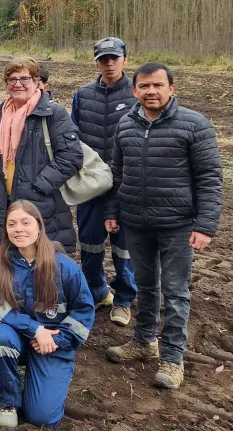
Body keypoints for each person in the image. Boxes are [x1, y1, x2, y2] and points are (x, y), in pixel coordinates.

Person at [104, 62, 222, 390]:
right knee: (145, 286)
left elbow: (209, 178)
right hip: (136, 223)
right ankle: (143, 343)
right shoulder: (126, 125)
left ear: (171, 88)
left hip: (178, 225)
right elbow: (117, 173)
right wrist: (112, 211)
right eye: (144, 86)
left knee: (175, 291)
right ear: (135, 91)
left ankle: (172, 358)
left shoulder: (194, 124)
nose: (151, 91)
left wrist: (206, 225)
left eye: (158, 85)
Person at [0, 201, 94, 429]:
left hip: (51, 345)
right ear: (6, 230)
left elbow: (84, 311)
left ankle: (39, 385)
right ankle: (7, 402)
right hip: (15, 338)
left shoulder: (64, 266)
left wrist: (56, 339)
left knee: (42, 418)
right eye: (12, 224)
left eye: (25, 222)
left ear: (39, 226)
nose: (18, 229)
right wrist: (36, 329)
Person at [0, 57, 83, 253]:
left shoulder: (52, 113)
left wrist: (38, 186)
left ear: (36, 82)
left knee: (41, 266)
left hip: (40, 205)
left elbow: (71, 156)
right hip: (2, 203)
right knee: (7, 266)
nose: (17, 84)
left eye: (24, 79)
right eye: (12, 79)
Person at [70, 37, 137, 326]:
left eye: (114, 58)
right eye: (103, 59)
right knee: (91, 244)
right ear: (96, 61)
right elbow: (72, 137)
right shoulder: (82, 95)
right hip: (92, 185)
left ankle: (124, 299)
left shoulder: (137, 94)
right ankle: (97, 292)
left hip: (127, 185)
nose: (109, 63)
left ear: (124, 59)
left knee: (124, 247)